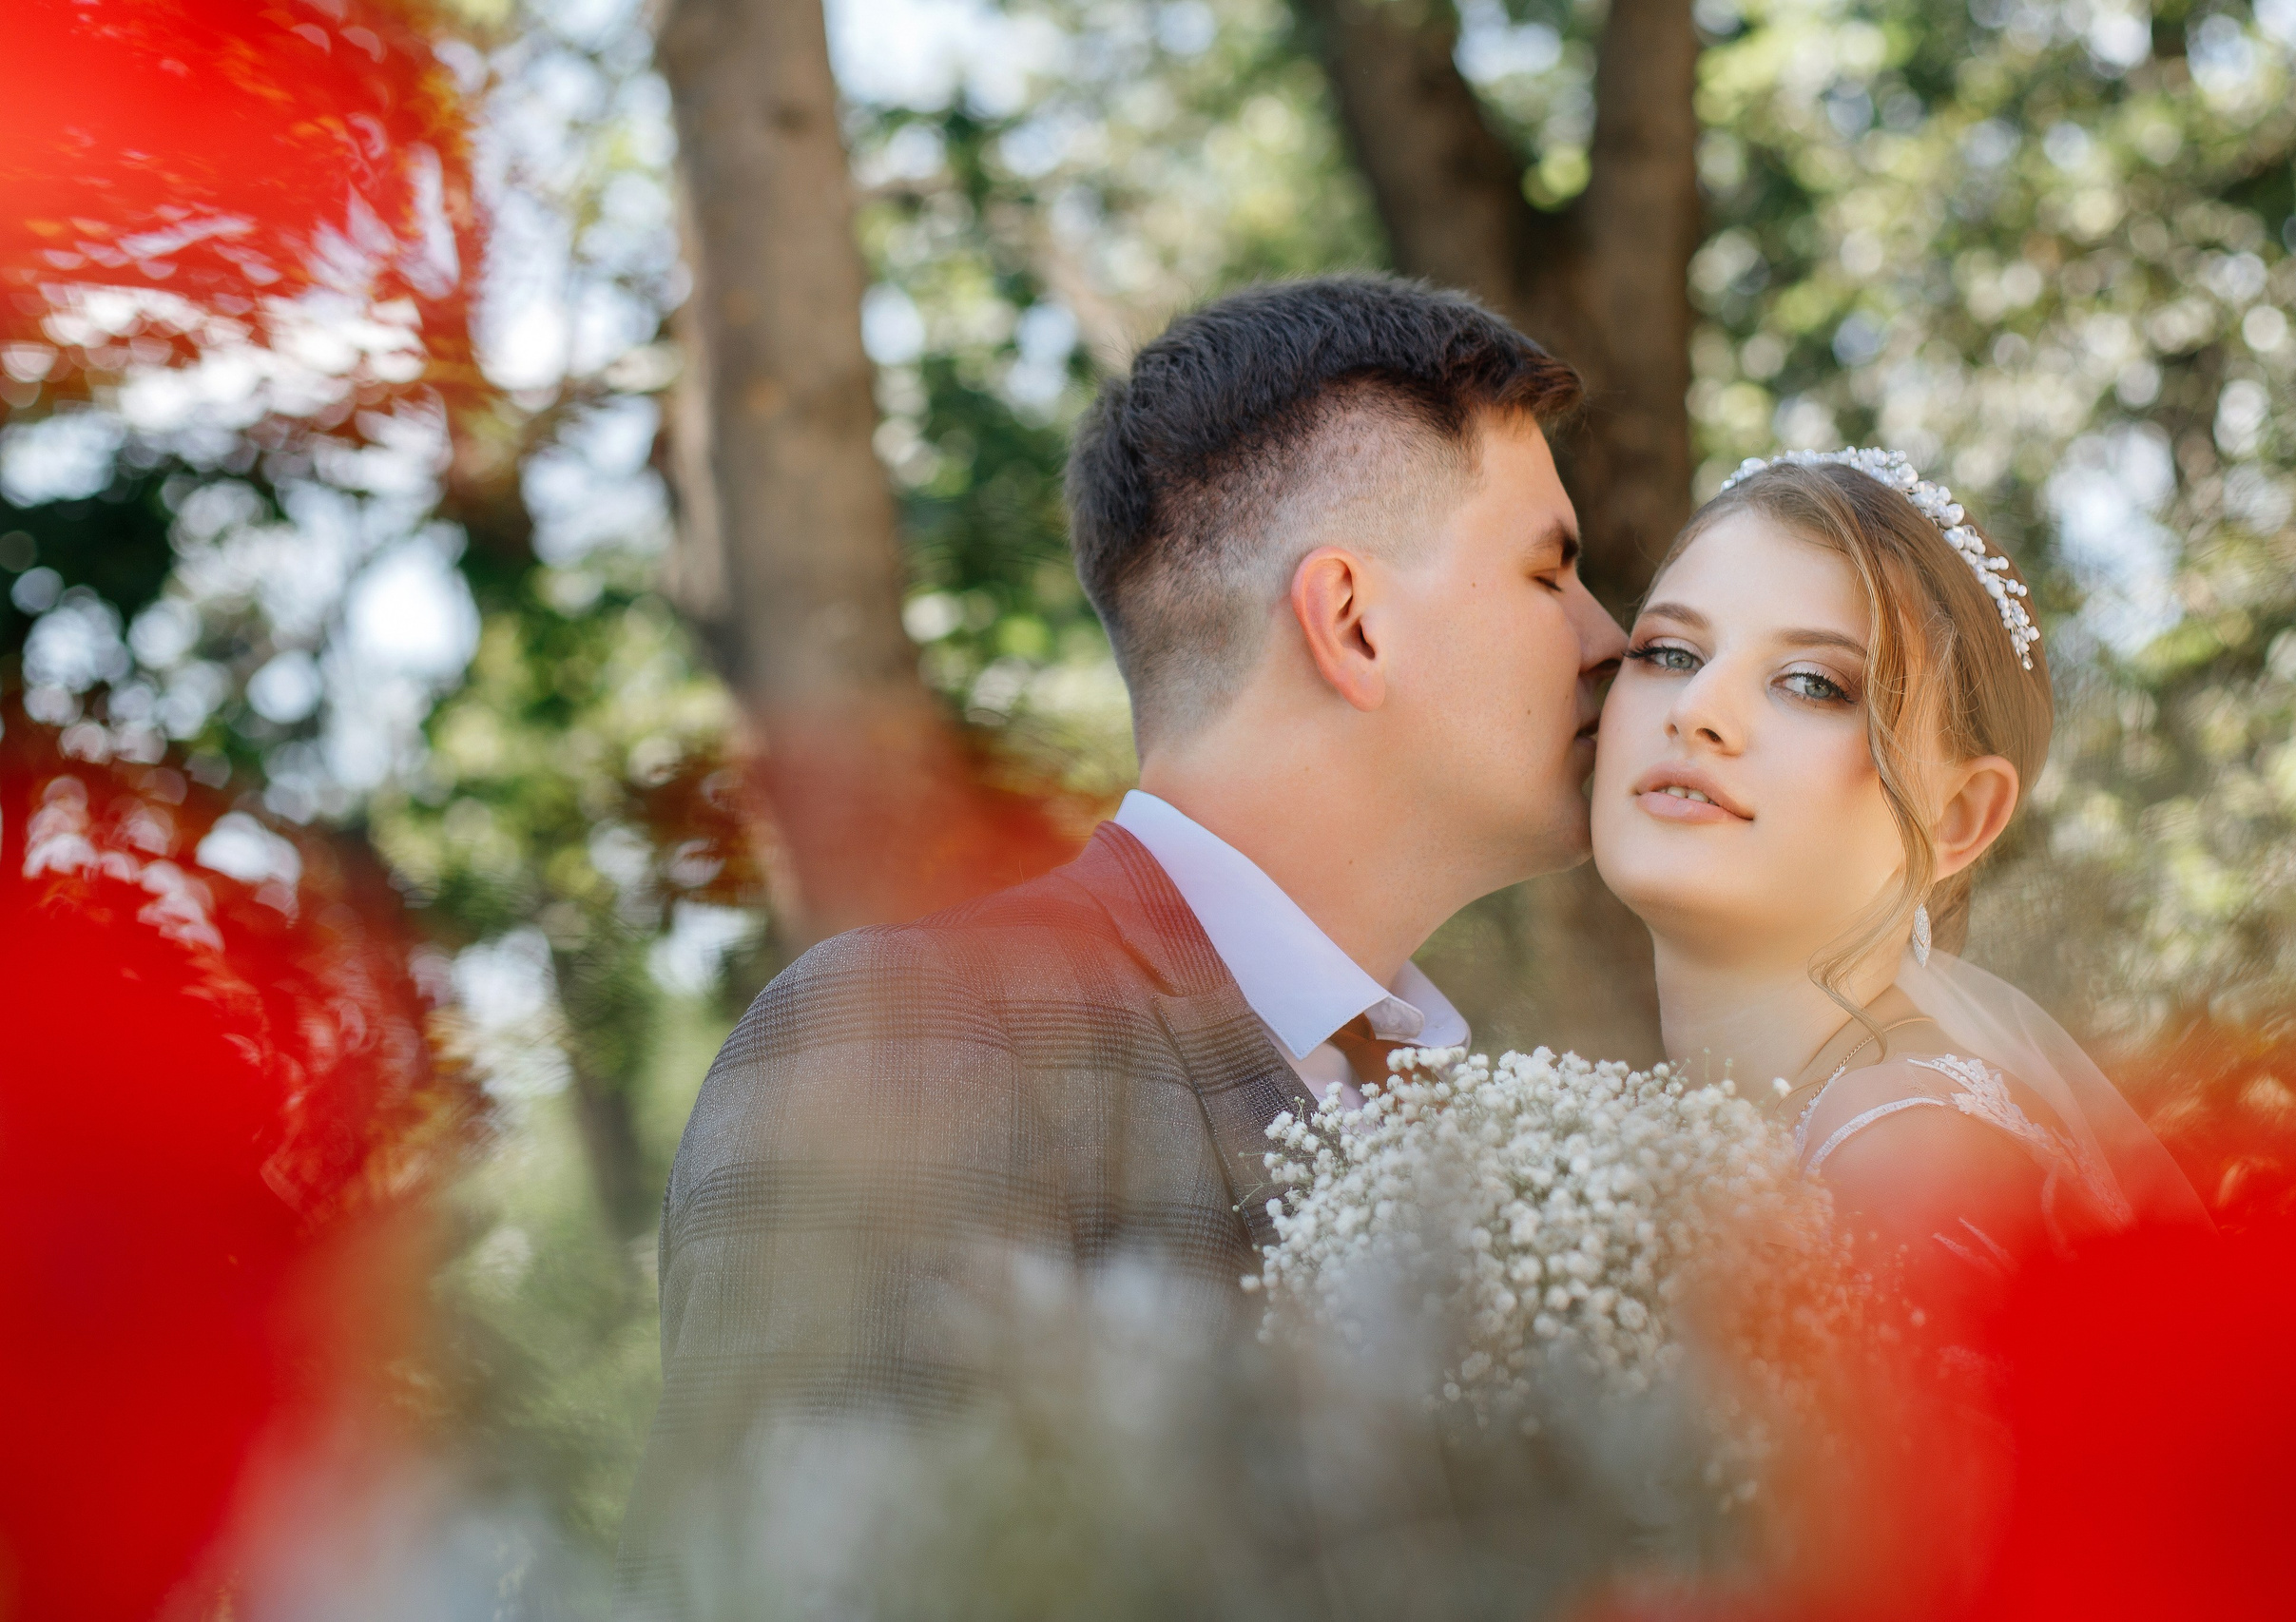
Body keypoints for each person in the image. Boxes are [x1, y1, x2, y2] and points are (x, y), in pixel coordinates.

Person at [617, 275, 1625, 1608]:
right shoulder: (918, 1032)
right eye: (1550, 569)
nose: (1612, 635)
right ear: (1354, 621)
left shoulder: (1489, 1118)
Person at [1591, 449, 2207, 1318]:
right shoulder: (1776, 1127)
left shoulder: (1906, 1154)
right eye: (1670, 652)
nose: (1695, 710)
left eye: (1813, 683)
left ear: (1958, 816)